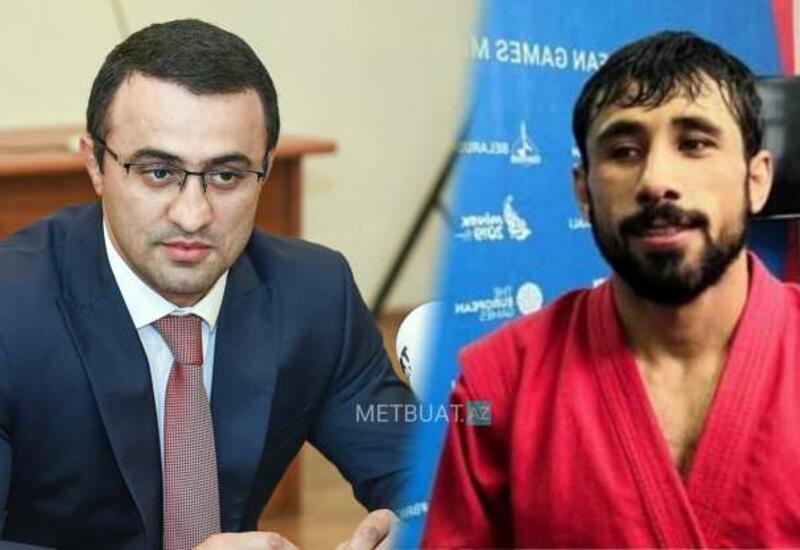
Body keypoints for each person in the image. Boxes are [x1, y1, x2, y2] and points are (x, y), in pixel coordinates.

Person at [0, 19, 414, 550]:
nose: (193, 215)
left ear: (265, 170)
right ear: (95, 165)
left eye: (226, 176)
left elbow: (416, 466)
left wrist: (421, 521)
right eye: (158, 172)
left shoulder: (314, 294)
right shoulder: (12, 308)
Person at [421, 30, 800, 547]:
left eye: (694, 143)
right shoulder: (500, 383)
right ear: (584, 191)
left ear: (756, 180)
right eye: (624, 151)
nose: (656, 180)